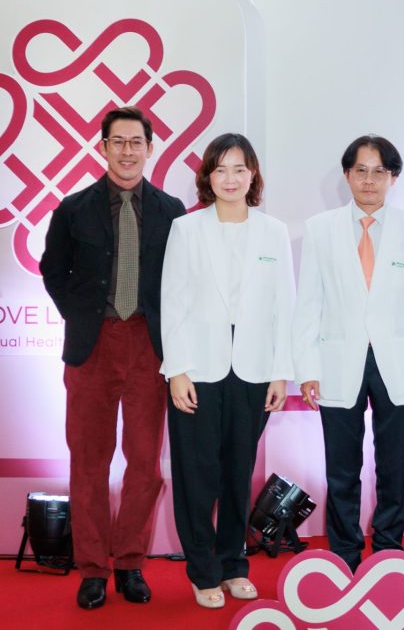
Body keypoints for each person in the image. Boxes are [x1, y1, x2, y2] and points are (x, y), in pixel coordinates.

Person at [40, 106, 186, 609]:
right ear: (102, 147)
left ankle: (129, 563)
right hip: (92, 347)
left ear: (150, 148)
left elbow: (183, 281)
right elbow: (52, 270)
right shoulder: (73, 209)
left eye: (136, 142)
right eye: (118, 142)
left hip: (149, 347)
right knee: (89, 462)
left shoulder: (172, 211)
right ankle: (93, 569)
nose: (127, 151)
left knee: (144, 464)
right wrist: (81, 314)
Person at [292, 135, 404, 574]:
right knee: (341, 468)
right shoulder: (320, 229)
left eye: (379, 172)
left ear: (394, 178)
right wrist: (307, 368)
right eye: (361, 171)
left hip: (400, 363)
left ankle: (389, 551)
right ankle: (344, 554)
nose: (369, 180)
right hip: (337, 361)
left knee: (393, 467)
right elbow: (309, 303)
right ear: (347, 175)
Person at [160, 133, 293, 609]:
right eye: (221, 169)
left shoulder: (273, 231)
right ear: (208, 177)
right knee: (197, 474)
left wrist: (280, 371)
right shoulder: (186, 229)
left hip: (254, 369)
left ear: (253, 175)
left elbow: (284, 305)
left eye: (240, 169)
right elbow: (172, 301)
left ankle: (234, 563)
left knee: (238, 472)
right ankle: (203, 571)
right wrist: (177, 370)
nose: (231, 179)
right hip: (198, 367)